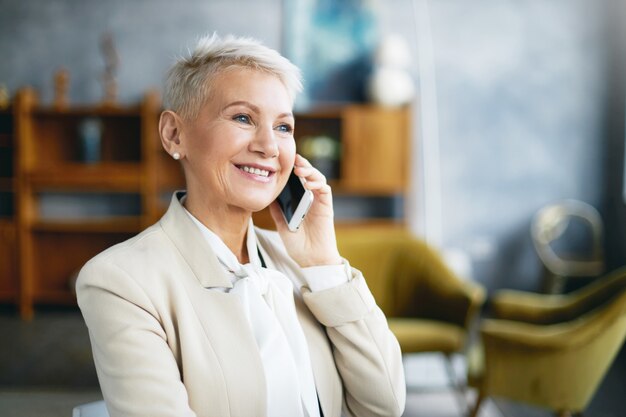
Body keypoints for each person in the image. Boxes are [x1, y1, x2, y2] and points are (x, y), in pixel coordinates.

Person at [76, 33, 406, 417]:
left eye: (284, 127)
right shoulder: (120, 280)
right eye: (243, 118)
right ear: (174, 134)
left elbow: (384, 404)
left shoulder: (304, 267)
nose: (269, 146)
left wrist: (325, 264)